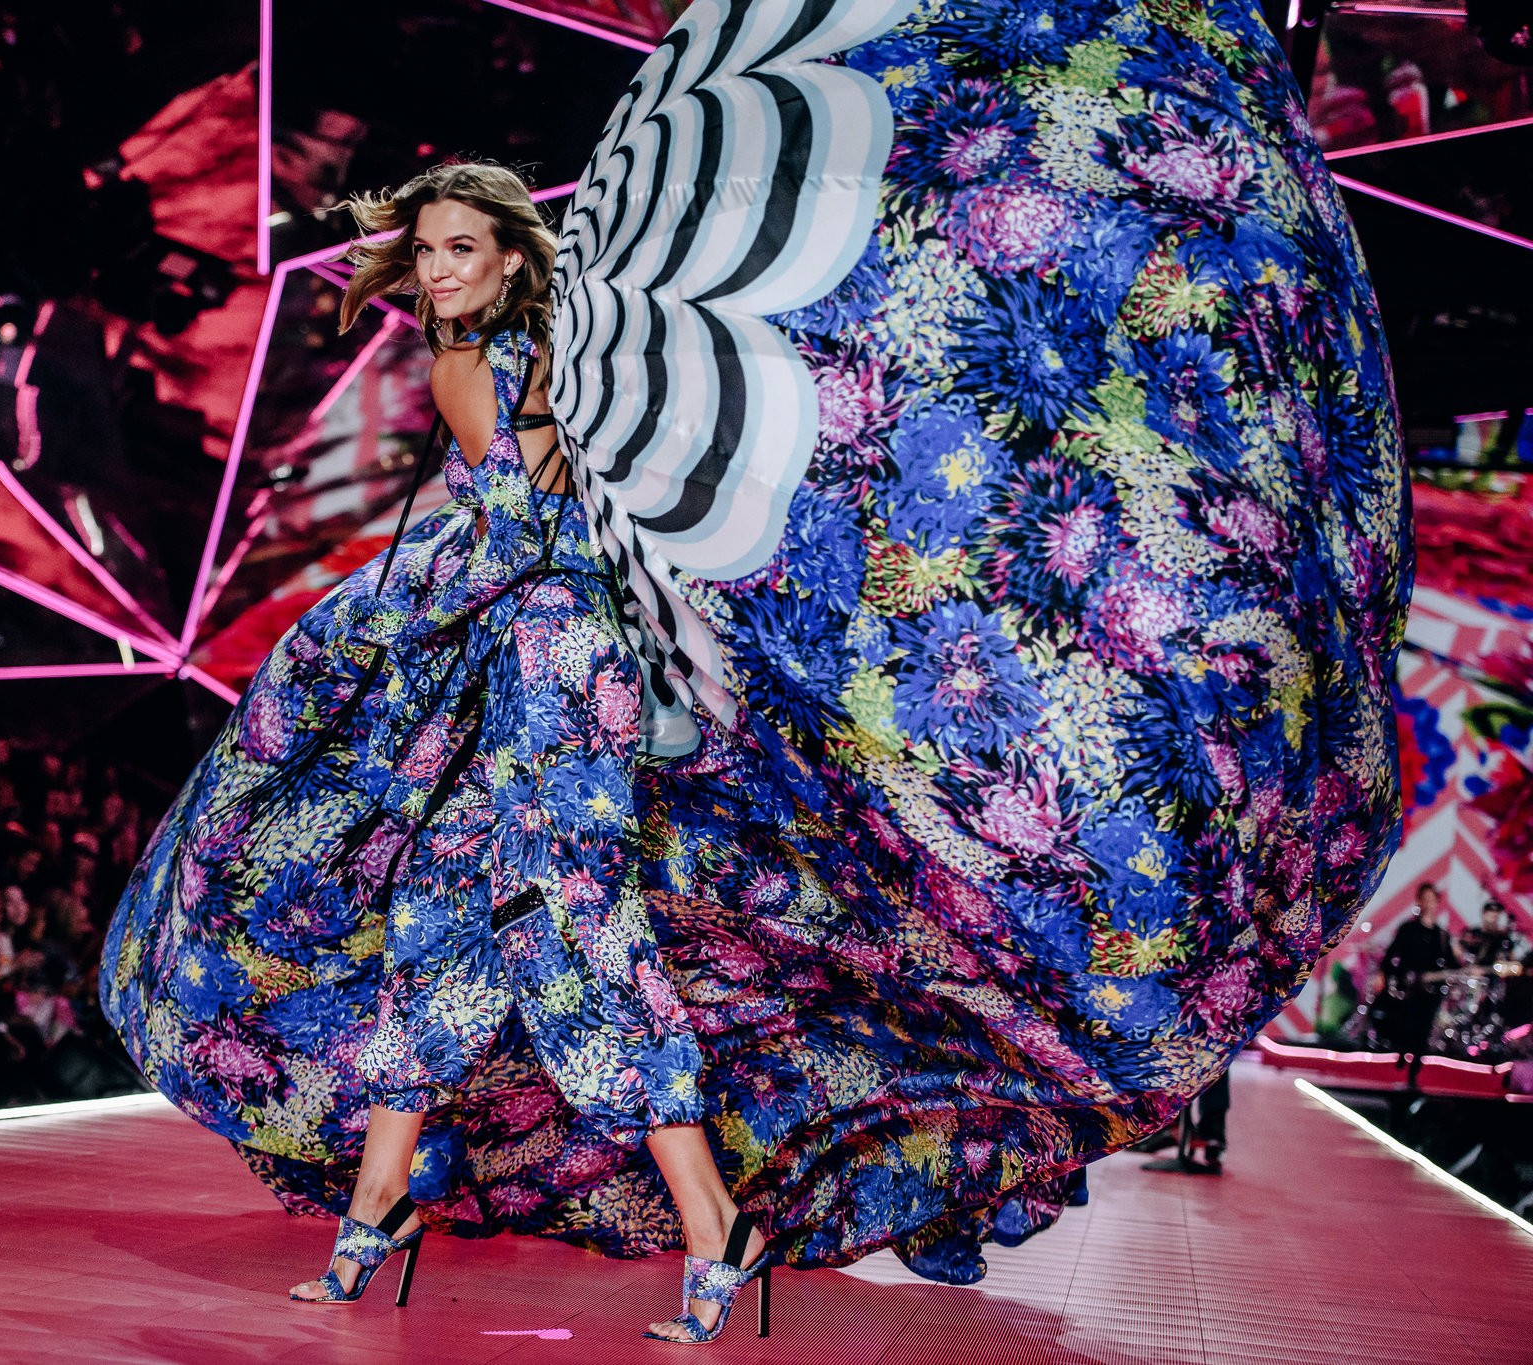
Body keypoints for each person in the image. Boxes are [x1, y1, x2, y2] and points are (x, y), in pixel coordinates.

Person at [102, 0, 1408, 1345]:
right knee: (445, 922)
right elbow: (529, 516)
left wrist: (379, 609)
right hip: (535, 654)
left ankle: (704, 1225)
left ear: (509, 256)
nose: (435, 273)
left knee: (577, 934)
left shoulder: (511, 365)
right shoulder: (522, 360)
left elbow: (520, 526)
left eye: (459, 250)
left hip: (558, 659)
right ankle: (380, 1214)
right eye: (426, 251)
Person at [1365, 884, 1457, 1055]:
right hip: (1408, 990)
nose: (1429, 904)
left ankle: (1415, 1063)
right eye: (1425, 899)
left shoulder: (1441, 935)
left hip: (1431, 993)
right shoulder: (1408, 929)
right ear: (1419, 902)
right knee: (1406, 1031)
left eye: (1432, 900)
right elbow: (1391, 955)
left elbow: (1452, 963)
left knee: (1423, 1033)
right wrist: (1385, 975)